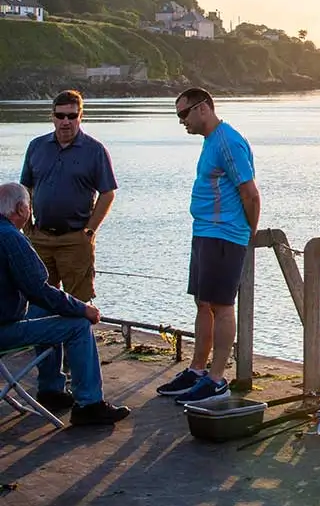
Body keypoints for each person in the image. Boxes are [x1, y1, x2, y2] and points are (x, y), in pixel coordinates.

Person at [156, 88, 260, 404]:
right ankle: (197, 370)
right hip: (204, 232)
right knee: (203, 302)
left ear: (203, 109)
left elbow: (251, 193)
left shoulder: (228, 141)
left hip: (225, 234)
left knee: (222, 306)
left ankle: (216, 379)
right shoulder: (210, 142)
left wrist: (247, 235)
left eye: (183, 114)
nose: (181, 121)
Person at [0, 182, 130, 425]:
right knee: (78, 324)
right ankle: (89, 404)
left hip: (7, 318)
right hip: (4, 330)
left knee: (46, 310)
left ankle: (51, 389)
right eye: (29, 206)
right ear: (21, 209)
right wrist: (84, 308)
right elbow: (40, 289)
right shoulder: (10, 238)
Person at [20, 89, 117, 303]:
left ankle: (78, 337)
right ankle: (45, 338)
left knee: (79, 302)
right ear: (52, 116)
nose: (66, 122)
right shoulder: (36, 146)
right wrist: (27, 226)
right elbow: (25, 188)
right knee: (39, 299)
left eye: (72, 116)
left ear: (80, 116)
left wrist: (89, 231)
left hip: (75, 239)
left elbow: (108, 193)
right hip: (40, 238)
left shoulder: (95, 150)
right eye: (60, 116)